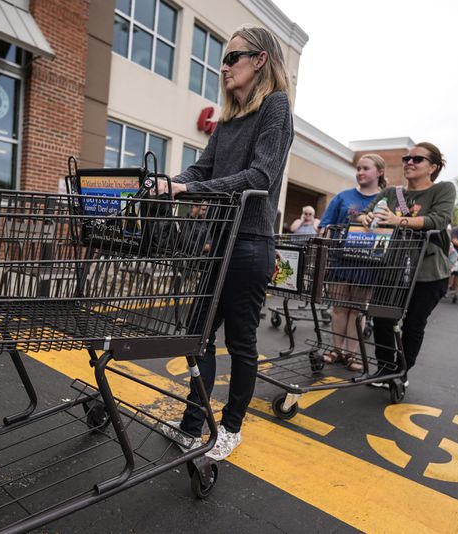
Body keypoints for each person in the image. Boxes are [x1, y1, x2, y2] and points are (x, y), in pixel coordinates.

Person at [153, 25, 293, 461]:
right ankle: (193, 424)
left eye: (234, 57)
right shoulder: (229, 117)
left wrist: (190, 192)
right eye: (224, 59)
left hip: (250, 241)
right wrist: (171, 183)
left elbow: (260, 177)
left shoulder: (276, 107)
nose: (225, 66)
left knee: (241, 343)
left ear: (261, 60)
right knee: (197, 337)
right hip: (218, 240)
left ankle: (231, 428)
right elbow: (203, 168)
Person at [357, 142, 455, 387]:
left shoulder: (443, 189)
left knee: (413, 324)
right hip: (392, 267)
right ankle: (384, 370)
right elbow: (365, 212)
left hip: (429, 271)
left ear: (432, 167)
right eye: (407, 158)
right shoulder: (391, 193)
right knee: (381, 318)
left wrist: (398, 221)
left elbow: (439, 219)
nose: (409, 162)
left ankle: (401, 372)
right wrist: (366, 217)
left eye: (417, 159)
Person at [317, 153, 387, 370]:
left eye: (366, 168)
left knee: (356, 310)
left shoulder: (387, 200)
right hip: (340, 258)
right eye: (358, 168)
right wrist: (326, 250)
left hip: (368, 261)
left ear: (380, 172)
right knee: (339, 307)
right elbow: (325, 225)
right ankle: (337, 350)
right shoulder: (343, 197)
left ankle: (352, 354)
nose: (360, 172)